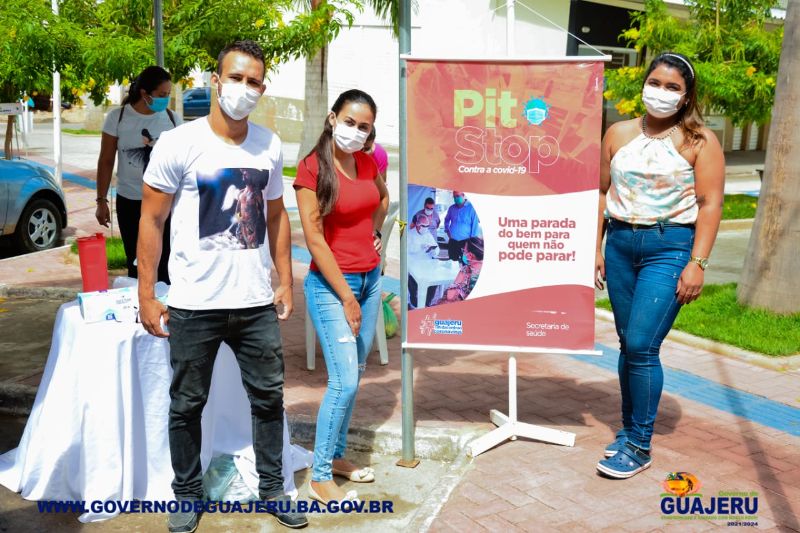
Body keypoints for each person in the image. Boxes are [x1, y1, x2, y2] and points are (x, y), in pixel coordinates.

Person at [137, 40, 307, 531]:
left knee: (268, 399)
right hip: (194, 303)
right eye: (235, 78)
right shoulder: (178, 143)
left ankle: (272, 488)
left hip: (254, 302)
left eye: (253, 82)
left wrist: (285, 280)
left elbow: (276, 216)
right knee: (186, 404)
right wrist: (147, 295)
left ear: (262, 89)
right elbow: (151, 220)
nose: (243, 89)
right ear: (215, 80)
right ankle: (187, 495)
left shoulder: (268, 145)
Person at [595, 52, 724, 479]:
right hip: (620, 243)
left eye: (673, 87)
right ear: (643, 84)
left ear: (686, 97)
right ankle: (628, 430)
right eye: (655, 83)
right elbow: (600, 192)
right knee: (627, 342)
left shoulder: (699, 141)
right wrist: (596, 248)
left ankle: (639, 445)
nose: (661, 92)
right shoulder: (617, 133)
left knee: (642, 344)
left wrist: (697, 262)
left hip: (669, 247)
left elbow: (710, 204)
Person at [294, 89, 389, 504]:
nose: (356, 131)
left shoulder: (366, 162)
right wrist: (347, 298)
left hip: (370, 280)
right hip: (333, 287)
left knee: (356, 374)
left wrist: (375, 233)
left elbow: (382, 198)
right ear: (333, 119)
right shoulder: (311, 168)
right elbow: (314, 239)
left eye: (364, 126)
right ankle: (319, 477)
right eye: (349, 122)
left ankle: (335, 456)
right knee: (344, 380)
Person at [96, 66, 180, 282]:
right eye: (162, 94)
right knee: (136, 261)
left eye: (168, 94)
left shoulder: (172, 119)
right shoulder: (118, 118)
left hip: (165, 202)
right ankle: (140, 300)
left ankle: (165, 300)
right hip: (130, 201)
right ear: (145, 94)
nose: (166, 99)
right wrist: (101, 200)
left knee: (166, 260)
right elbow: (106, 160)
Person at [433, 237, 484, 305]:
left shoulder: (466, 270)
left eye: (464, 251)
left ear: (470, 255)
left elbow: (450, 296)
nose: (463, 253)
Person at [443, 191, 480, 262]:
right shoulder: (452, 208)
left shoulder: (471, 208)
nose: (455, 198)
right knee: (452, 263)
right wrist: (447, 230)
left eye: (457, 196)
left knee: (465, 262)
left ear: (463, 195)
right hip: (453, 241)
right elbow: (446, 219)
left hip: (465, 242)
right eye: (454, 196)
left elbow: (475, 225)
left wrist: (472, 243)